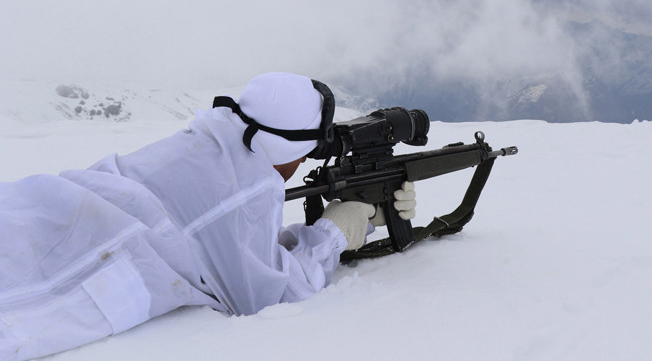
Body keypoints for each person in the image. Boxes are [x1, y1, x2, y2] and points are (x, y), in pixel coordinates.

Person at [0, 72, 416, 360]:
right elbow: (267, 295)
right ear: (289, 148)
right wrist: (335, 232)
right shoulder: (247, 190)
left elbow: (222, 239)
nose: (307, 159)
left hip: (37, 211)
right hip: (81, 270)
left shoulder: (215, 135)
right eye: (305, 151)